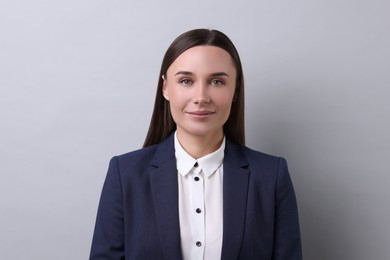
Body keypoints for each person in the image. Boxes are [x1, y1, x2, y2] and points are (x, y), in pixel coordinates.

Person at [90, 28, 302, 260]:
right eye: (186, 80)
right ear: (165, 88)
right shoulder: (125, 174)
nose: (201, 96)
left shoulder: (271, 176)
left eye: (217, 81)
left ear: (235, 89)